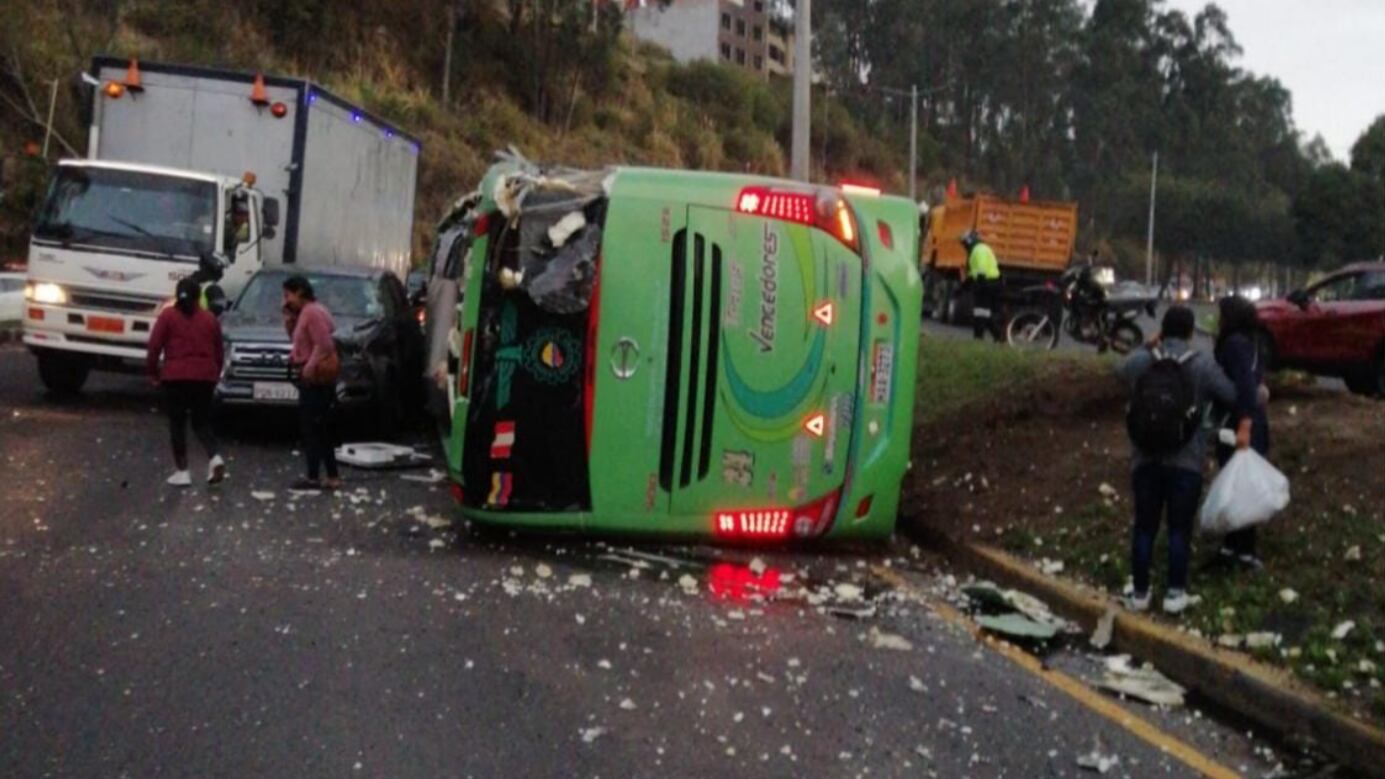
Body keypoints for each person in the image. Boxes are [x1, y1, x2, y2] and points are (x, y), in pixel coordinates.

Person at [1117, 306, 1237, 614]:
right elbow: (1231, 395)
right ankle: (1174, 593)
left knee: (1144, 527)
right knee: (1178, 529)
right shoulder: (1202, 364)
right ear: (1189, 331)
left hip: (1145, 459)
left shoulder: (1145, 360)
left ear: (1162, 329)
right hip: (1187, 460)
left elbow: (1119, 371)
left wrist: (1148, 345)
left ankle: (1141, 593)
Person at [146, 277, 226, 487]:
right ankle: (215, 456)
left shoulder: (168, 316)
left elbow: (154, 346)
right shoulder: (210, 319)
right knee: (201, 422)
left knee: (177, 423)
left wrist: (153, 373)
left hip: (175, 377)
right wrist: (215, 375)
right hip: (204, 377)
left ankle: (182, 471)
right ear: (199, 296)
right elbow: (219, 351)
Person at [1213, 295, 1270, 569]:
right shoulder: (1251, 342)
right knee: (1240, 484)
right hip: (1253, 422)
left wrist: (1244, 424)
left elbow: (1245, 386)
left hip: (1239, 424)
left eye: (1221, 315)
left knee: (1238, 485)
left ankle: (1240, 550)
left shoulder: (1234, 344)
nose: (1217, 320)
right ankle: (1237, 546)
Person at [283, 275, 342, 490]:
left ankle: (315, 475)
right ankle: (325, 474)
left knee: (314, 426)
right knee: (318, 425)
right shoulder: (311, 311)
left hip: (316, 378)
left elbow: (324, 344)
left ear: (299, 292)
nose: (286, 300)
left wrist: (309, 365)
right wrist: (289, 321)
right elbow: (300, 340)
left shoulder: (312, 313)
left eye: (288, 295)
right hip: (313, 375)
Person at [960, 230, 1003, 341]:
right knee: (983, 312)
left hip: (986, 283)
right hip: (988, 283)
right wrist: (966, 284)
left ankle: (982, 337)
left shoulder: (979, 250)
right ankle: (996, 337)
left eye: (964, 243)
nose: (964, 246)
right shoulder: (978, 249)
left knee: (981, 311)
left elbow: (981, 269)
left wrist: (979, 284)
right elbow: (974, 271)